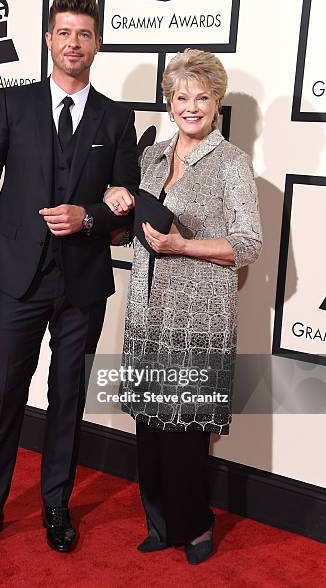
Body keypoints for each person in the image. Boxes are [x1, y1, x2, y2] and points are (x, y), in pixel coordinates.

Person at [0, 0, 139, 556]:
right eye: (64, 32)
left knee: (67, 398)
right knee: (5, 394)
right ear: (49, 39)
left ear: (97, 42)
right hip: (18, 276)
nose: (73, 43)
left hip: (82, 283)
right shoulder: (13, 103)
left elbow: (127, 198)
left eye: (84, 33)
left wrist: (90, 216)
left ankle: (56, 505)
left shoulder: (117, 117)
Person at [105, 49, 262, 564]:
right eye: (180, 97)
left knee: (187, 430)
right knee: (149, 426)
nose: (190, 107)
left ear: (216, 102)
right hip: (147, 311)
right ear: (169, 101)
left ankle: (195, 527)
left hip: (198, 317)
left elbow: (248, 243)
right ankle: (160, 521)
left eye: (202, 97)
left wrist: (183, 247)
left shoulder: (232, 164)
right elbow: (137, 227)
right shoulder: (151, 156)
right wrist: (119, 204)